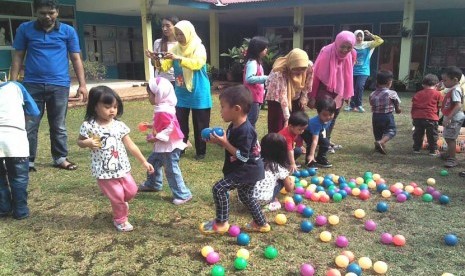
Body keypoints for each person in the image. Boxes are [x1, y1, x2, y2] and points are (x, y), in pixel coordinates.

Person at [10, 0, 88, 172]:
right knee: (30, 124)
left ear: (57, 12)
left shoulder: (68, 31)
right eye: (42, 13)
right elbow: (17, 57)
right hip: (32, 85)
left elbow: (76, 58)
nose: (47, 16)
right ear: (35, 12)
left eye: (51, 12)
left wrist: (82, 84)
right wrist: (13, 84)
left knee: (58, 125)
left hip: (59, 85)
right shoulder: (25, 29)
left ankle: (60, 158)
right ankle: (27, 160)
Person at [77, 86, 154, 232]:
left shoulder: (119, 126)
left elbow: (131, 145)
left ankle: (119, 203)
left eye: (115, 107)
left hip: (122, 168)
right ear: (94, 106)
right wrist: (86, 143)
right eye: (107, 107)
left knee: (131, 190)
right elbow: (80, 141)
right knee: (118, 196)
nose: (112, 110)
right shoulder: (89, 126)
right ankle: (120, 220)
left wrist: (144, 161)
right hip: (104, 171)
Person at [199, 85, 270, 234]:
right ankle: (261, 223)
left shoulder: (246, 130)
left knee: (219, 188)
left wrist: (224, 143)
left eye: (223, 107)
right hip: (250, 170)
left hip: (246, 170)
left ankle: (221, 222)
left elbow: (243, 156)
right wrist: (219, 142)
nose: (220, 111)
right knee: (246, 196)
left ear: (236, 109)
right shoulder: (235, 125)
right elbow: (232, 146)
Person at [147, 20, 211, 160]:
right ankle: (179, 148)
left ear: (189, 33)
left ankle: (201, 151)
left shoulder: (198, 47)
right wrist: (155, 59)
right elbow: (164, 67)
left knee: (200, 123)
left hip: (199, 91)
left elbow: (198, 64)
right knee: (180, 121)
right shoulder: (175, 49)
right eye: (177, 34)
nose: (179, 37)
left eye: (182, 34)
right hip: (181, 91)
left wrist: (179, 58)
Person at [137, 77, 192, 205]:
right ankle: (153, 183)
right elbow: (162, 123)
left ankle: (183, 194)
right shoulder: (164, 105)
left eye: (149, 94)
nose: (148, 97)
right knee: (153, 162)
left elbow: (171, 126)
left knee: (171, 170)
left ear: (159, 94)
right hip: (163, 145)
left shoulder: (163, 110)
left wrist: (156, 138)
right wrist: (151, 126)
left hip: (169, 146)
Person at [308, 31, 356, 154]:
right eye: (343, 46)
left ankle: (326, 141)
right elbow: (316, 75)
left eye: (349, 47)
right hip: (324, 90)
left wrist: (347, 94)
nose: (345, 50)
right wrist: (312, 96)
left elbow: (349, 75)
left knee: (332, 117)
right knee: (323, 116)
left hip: (339, 91)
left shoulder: (351, 54)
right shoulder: (327, 52)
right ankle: (319, 141)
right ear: (337, 42)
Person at [0, 80, 40, 220]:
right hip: (15, 139)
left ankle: (3, 208)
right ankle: (21, 211)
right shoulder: (16, 87)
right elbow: (34, 111)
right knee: (19, 178)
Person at [265, 48, 313, 133]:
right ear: (291, 64)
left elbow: (307, 84)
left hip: (295, 94)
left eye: (302, 69)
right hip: (276, 97)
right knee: (278, 124)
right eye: (296, 68)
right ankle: (275, 144)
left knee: (297, 122)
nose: (300, 71)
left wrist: (303, 97)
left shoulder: (308, 67)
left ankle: (294, 144)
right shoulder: (279, 71)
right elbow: (282, 96)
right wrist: (287, 118)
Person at [252, 133, 294, 212]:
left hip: (245, 199)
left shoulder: (255, 161)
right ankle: (269, 205)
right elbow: (289, 189)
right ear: (283, 151)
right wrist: (292, 182)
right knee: (282, 181)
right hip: (262, 200)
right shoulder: (278, 167)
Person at [347, 30, 384, 112]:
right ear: (354, 36)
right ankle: (352, 105)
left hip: (363, 71)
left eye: (361, 36)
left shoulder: (367, 45)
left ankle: (359, 105)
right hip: (353, 70)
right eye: (357, 36)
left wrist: (371, 35)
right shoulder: (351, 46)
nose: (359, 38)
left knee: (359, 87)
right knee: (352, 88)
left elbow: (380, 41)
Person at [369, 70, 401, 154]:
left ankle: (378, 146)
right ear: (389, 82)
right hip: (387, 116)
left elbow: (371, 103)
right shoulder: (392, 93)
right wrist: (398, 110)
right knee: (391, 131)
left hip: (375, 116)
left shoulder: (372, 94)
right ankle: (381, 142)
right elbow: (397, 107)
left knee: (377, 132)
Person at [411, 74, 443, 155]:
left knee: (418, 134)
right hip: (431, 117)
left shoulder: (417, 94)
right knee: (432, 135)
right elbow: (440, 105)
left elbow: (414, 105)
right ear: (437, 84)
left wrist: (413, 116)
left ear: (423, 84)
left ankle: (416, 149)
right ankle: (433, 150)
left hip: (418, 117)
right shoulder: (438, 94)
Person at [439, 66, 464, 168]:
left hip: (454, 118)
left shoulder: (455, 90)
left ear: (455, 80)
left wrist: (448, 117)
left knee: (450, 138)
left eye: (445, 80)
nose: (443, 82)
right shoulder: (452, 88)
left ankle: (452, 159)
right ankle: (449, 154)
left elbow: (458, 105)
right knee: (448, 136)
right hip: (452, 118)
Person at [302, 97, 336, 168]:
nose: (328, 117)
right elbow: (315, 141)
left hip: (317, 131)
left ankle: (320, 158)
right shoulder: (315, 123)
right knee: (311, 143)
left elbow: (325, 129)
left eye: (331, 114)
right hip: (306, 132)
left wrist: (326, 140)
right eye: (325, 115)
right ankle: (310, 161)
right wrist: (311, 154)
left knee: (325, 142)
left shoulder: (329, 120)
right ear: (318, 113)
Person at [243, 36, 269, 127]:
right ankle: (248, 139)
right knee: (251, 120)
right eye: (264, 48)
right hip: (252, 97)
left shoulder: (256, 62)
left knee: (251, 120)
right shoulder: (253, 62)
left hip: (255, 97)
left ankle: (251, 139)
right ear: (258, 49)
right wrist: (267, 78)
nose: (266, 50)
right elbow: (249, 78)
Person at [147, 16, 179, 85]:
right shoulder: (157, 43)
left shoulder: (180, 44)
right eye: (163, 26)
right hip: (160, 80)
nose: (164, 29)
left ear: (175, 27)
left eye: (168, 26)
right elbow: (154, 64)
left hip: (176, 79)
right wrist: (152, 57)